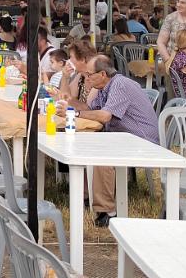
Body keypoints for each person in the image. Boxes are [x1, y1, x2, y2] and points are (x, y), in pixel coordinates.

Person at [56, 55, 159, 227]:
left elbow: (104, 116)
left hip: (143, 141)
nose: (87, 78)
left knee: (101, 153)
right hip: (125, 137)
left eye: (90, 75)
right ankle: (86, 195)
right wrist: (69, 103)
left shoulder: (120, 84)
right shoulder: (105, 87)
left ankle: (107, 211)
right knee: (87, 143)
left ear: (102, 74)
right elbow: (90, 109)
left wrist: (74, 113)